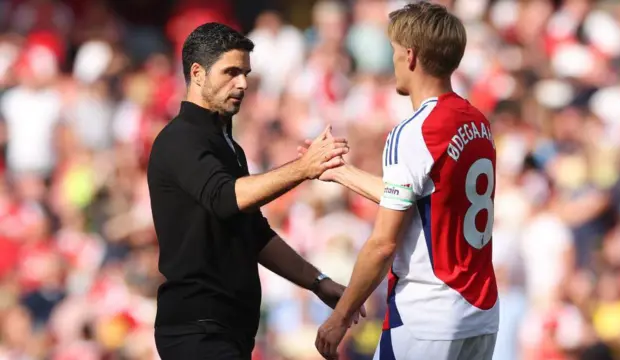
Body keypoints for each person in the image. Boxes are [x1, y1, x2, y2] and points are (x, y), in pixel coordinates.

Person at [147, 23, 363, 360]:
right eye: (231, 72)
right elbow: (225, 198)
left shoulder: (228, 145)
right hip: (197, 329)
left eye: (245, 73)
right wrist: (303, 168)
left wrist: (319, 282)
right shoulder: (180, 139)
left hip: (228, 330)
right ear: (197, 73)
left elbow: (254, 234)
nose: (243, 83)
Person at [301, 3, 499, 359]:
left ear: (410, 56)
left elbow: (383, 243)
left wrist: (341, 316)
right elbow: (418, 197)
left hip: (426, 316)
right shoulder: (477, 122)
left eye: (393, 52)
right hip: (479, 312)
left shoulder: (413, 132)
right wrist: (339, 171)